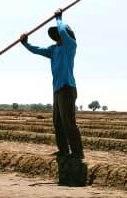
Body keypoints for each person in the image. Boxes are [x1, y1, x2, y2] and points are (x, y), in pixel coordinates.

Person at [20, 9, 84, 160]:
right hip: (57, 90)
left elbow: (62, 30)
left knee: (68, 122)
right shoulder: (53, 50)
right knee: (58, 122)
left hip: (67, 88)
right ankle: (63, 150)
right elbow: (37, 50)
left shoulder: (70, 46)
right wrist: (25, 43)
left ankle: (78, 152)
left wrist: (59, 18)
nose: (59, 36)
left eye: (61, 35)